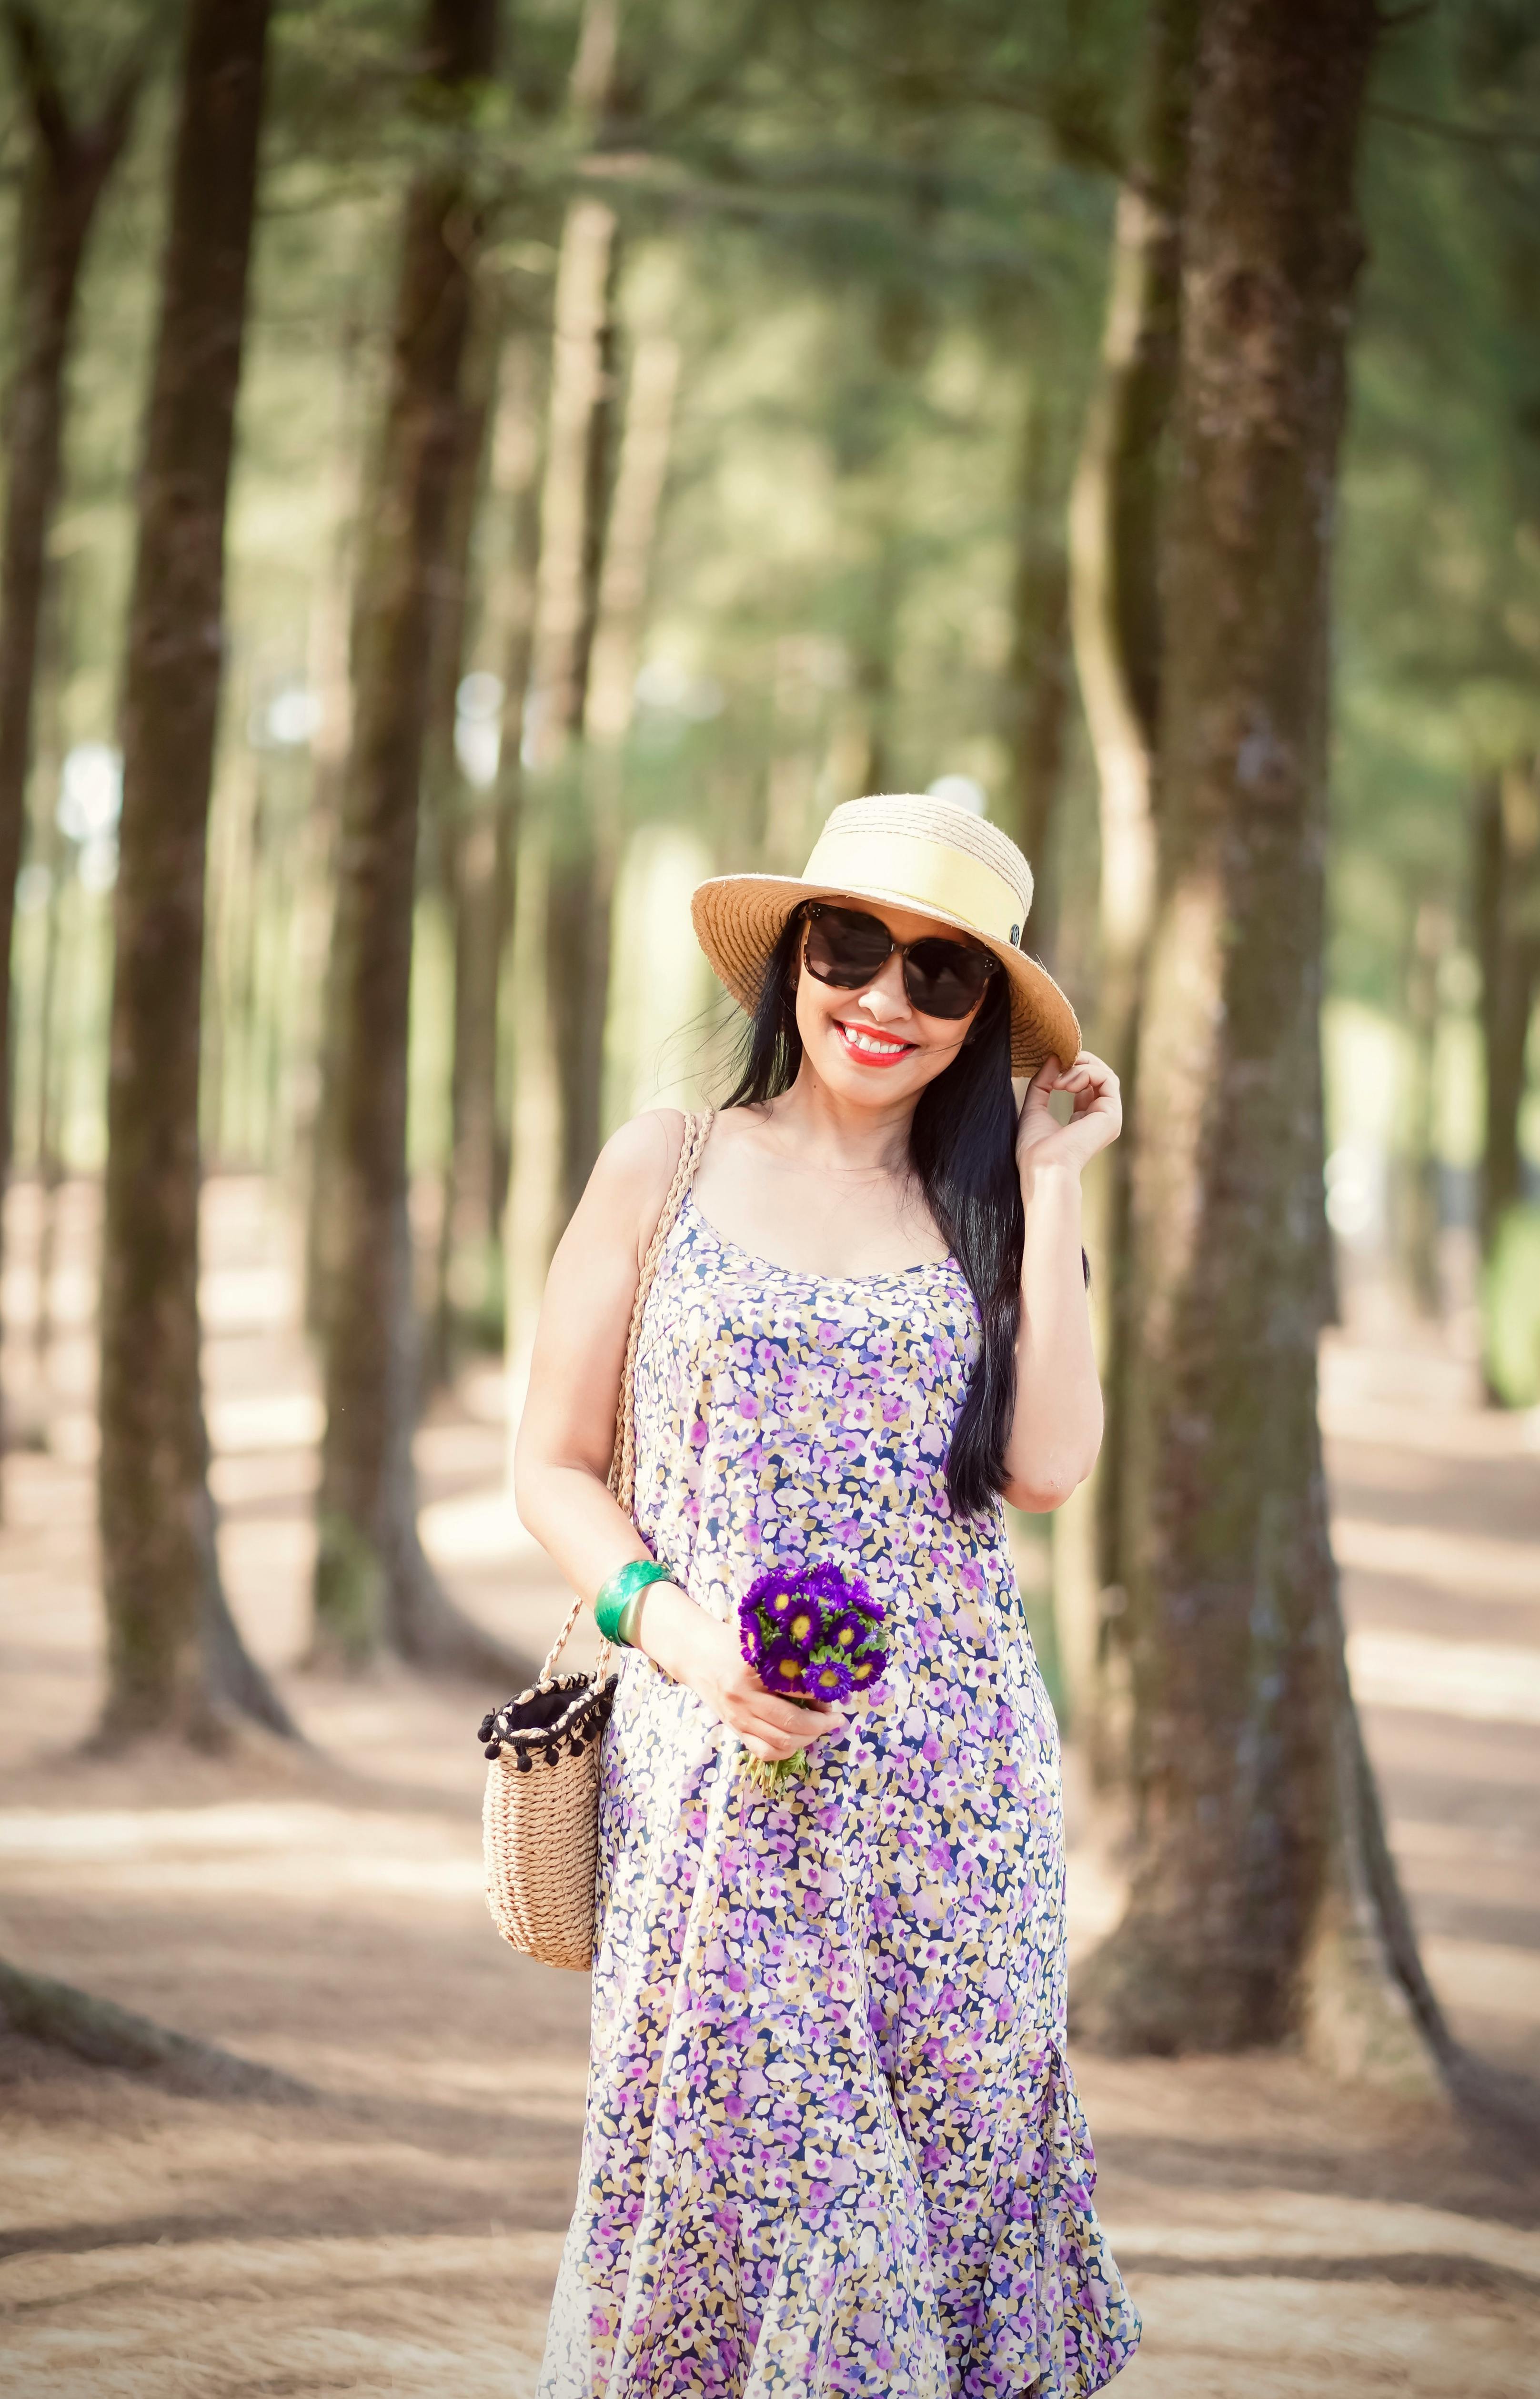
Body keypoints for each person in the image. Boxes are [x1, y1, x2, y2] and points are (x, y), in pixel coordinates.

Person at [516, 791, 1141, 2396]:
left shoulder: (991, 1205)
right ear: (793, 954)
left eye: (942, 976)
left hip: (952, 1794)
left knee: (932, 2213)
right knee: (730, 2199)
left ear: (981, 1013)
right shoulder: (663, 1159)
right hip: (711, 1772)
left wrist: (1057, 1180)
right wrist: (679, 1633)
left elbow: (1052, 1464)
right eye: (851, 946)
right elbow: (553, 1464)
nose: (885, 997)